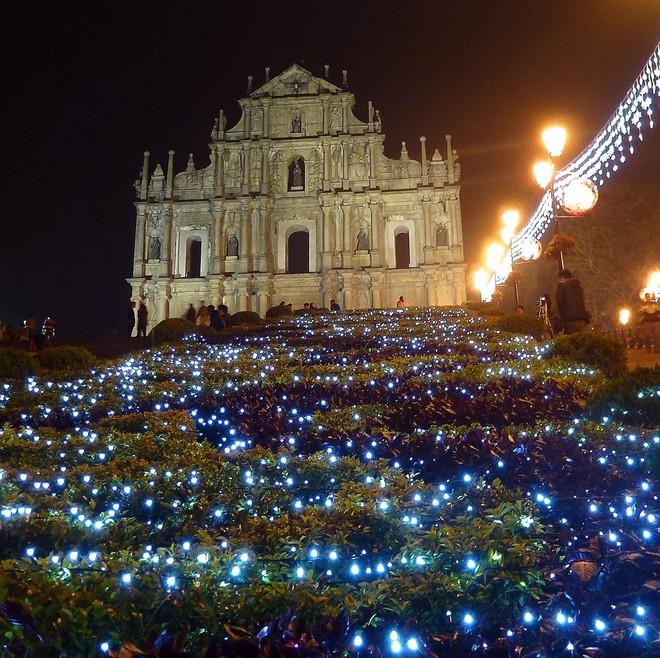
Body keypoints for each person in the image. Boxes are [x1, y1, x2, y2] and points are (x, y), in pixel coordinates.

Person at [555, 269, 591, 334]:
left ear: (562, 277)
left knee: (571, 341)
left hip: (570, 320)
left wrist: (562, 318)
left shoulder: (563, 286)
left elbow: (559, 302)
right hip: (582, 319)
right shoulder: (578, 286)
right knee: (582, 340)